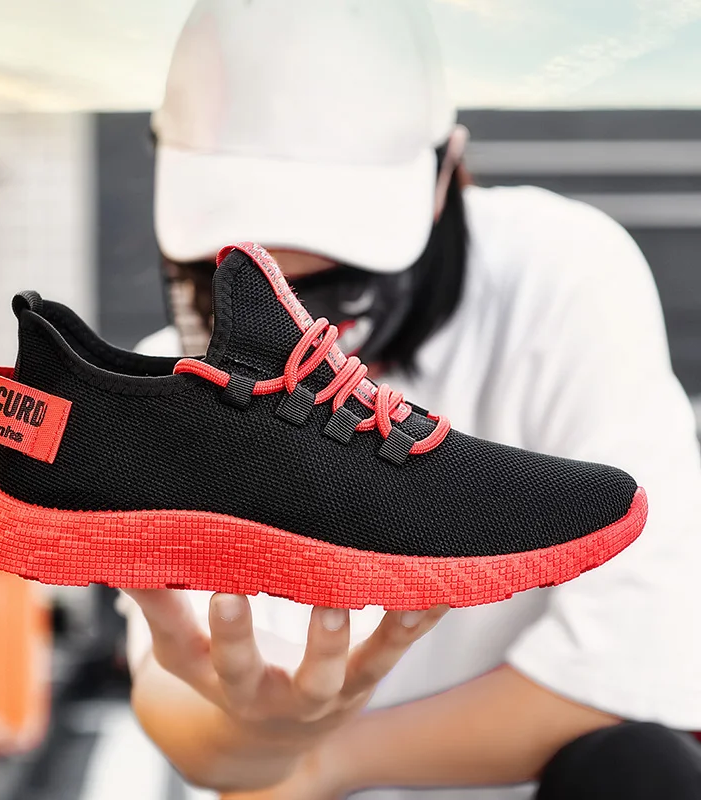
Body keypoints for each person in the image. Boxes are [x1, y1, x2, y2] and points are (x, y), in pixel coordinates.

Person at [120, 1, 701, 798]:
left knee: (640, 771)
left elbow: (642, 662)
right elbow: (183, 696)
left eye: (340, 284)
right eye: (232, 278)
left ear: (446, 175)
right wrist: (247, 733)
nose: (292, 325)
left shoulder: (559, 278)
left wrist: (318, 761)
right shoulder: (174, 383)